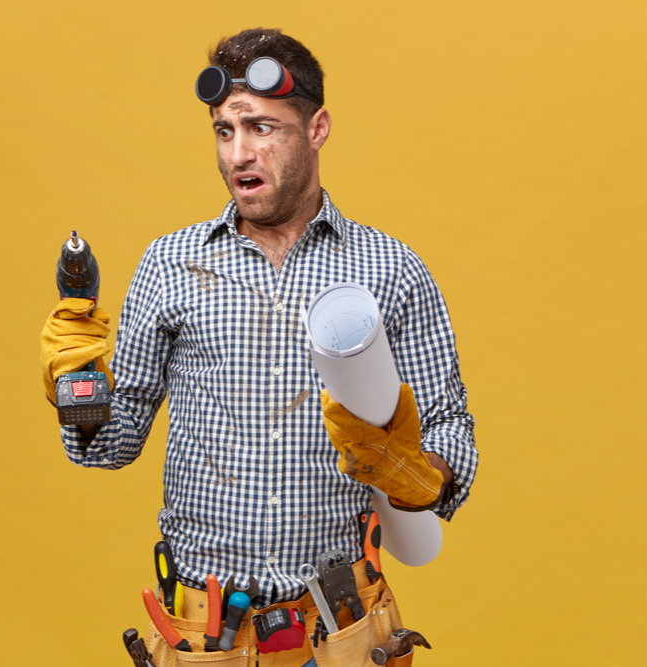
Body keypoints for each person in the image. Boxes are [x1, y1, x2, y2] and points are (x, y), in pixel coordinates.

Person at [41, 28, 477, 667]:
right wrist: (76, 383)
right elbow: (108, 447)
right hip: (204, 641)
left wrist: (415, 476)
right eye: (224, 131)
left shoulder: (390, 269)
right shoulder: (171, 264)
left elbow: (451, 428)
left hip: (343, 636)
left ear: (317, 128)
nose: (239, 153)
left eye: (262, 129)